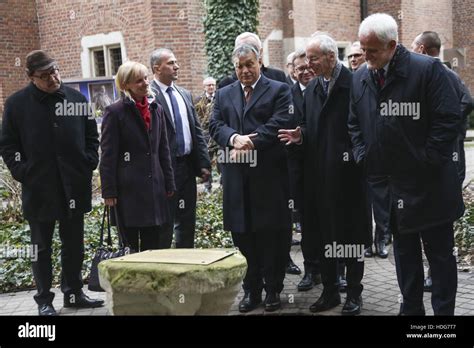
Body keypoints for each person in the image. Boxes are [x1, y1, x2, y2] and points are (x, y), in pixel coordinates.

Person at [349, 13, 463, 315]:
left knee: (439, 258)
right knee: (404, 256)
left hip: (430, 188)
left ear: (392, 45)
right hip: (391, 189)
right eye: (363, 49)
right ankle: (412, 312)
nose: (365, 56)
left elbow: (449, 118)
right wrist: (363, 155)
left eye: (372, 50)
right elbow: (354, 123)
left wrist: (426, 159)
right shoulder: (360, 76)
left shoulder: (426, 71)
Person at [0, 50, 103, 316]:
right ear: (31, 77)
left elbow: (92, 136)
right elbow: (8, 144)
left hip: (73, 184)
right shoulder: (16, 104)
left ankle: (74, 292)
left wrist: (89, 161)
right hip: (39, 188)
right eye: (44, 76)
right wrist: (22, 171)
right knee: (41, 247)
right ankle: (44, 300)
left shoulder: (77, 99)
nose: (53, 78)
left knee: (74, 244)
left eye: (55, 71)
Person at [279, 34, 370, 315]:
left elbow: (365, 128)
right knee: (324, 238)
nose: (308, 64)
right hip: (319, 181)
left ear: (332, 57)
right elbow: (308, 125)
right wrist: (301, 135)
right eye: (306, 58)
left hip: (349, 179)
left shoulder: (355, 84)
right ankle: (330, 292)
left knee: (351, 239)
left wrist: (356, 159)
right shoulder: (314, 88)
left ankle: (353, 294)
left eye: (314, 58)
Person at [210, 43, 293, 313]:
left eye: (249, 64)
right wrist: (234, 138)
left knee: (271, 238)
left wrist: (249, 142)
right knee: (243, 237)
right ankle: (251, 290)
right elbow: (215, 124)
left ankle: (273, 290)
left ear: (259, 63)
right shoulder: (223, 94)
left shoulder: (279, 89)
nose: (244, 70)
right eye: (239, 66)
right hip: (236, 180)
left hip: (268, 178)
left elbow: (279, 123)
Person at [411, 30, 473, 292]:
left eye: (414, 46)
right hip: (438, 159)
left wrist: (445, 130)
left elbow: (467, 101)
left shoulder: (442, 73)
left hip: (446, 159)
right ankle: (433, 272)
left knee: (440, 222)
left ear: (423, 49)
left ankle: (434, 274)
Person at [99, 61, 176, 252]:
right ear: (126, 85)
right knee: (130, 250)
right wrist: (109, 192)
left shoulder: (155, 108)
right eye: (138, 81)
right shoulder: (115, 112)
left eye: (145, 78)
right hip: (128, 193)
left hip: (154, 190)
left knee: (153, 249)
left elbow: (163, 150)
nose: (145, 83)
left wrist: (169, 183)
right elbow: (108, 156)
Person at [149, 48, 211, 248]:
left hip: (186, 166)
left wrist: (203, 163)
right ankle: (166, 267)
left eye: (176, 62)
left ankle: (186, 262)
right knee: (165, 221)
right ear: (156, 68)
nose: (177, 66)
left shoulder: (184, 93)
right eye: (171, 63)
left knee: (187, 220)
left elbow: (196, 130)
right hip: (163, 169)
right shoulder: (149, 96)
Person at [286, 48, 322, 291]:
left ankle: (336, 270)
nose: (305, 72)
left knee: (331, 223)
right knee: (308, 224)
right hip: (301, 170)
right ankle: (311, 270)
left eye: (308, 67)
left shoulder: (325, 89)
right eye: (300, 69)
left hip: (328, 168)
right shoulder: (286, 96)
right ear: (293, 72)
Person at [218, 32, 287, 88]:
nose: (245, 52)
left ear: (261, 51)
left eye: (252, 48)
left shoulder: (278, 77)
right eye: (241, 48)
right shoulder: (226, 84)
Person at [194, 77, 218, 193]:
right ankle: (208, 187)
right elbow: (196, 117)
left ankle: (223, 185)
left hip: (218, 134)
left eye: (213, 85)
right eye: (209, 85)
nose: (211, 87)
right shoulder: (198, 100)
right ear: (204, 87)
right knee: (207, 160)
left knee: (222, 160)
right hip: (205, 135)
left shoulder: (220, 98)